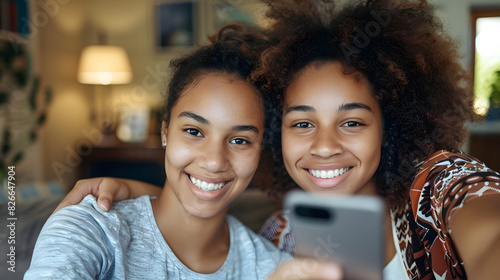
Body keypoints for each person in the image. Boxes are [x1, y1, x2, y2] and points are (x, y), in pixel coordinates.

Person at [56, 0, 500, 279]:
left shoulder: (437, 187)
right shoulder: (280, 238)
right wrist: (148, 197)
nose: (324, 146)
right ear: (277, 136)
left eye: (352, 122)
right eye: (302, 123)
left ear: (390, 126)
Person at [25, 23, 301, 280]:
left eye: (240, 140)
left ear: (260, 149)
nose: (215, 161)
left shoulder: (269, 267)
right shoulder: (93, 225)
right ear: (165, 131)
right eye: (194, 131)